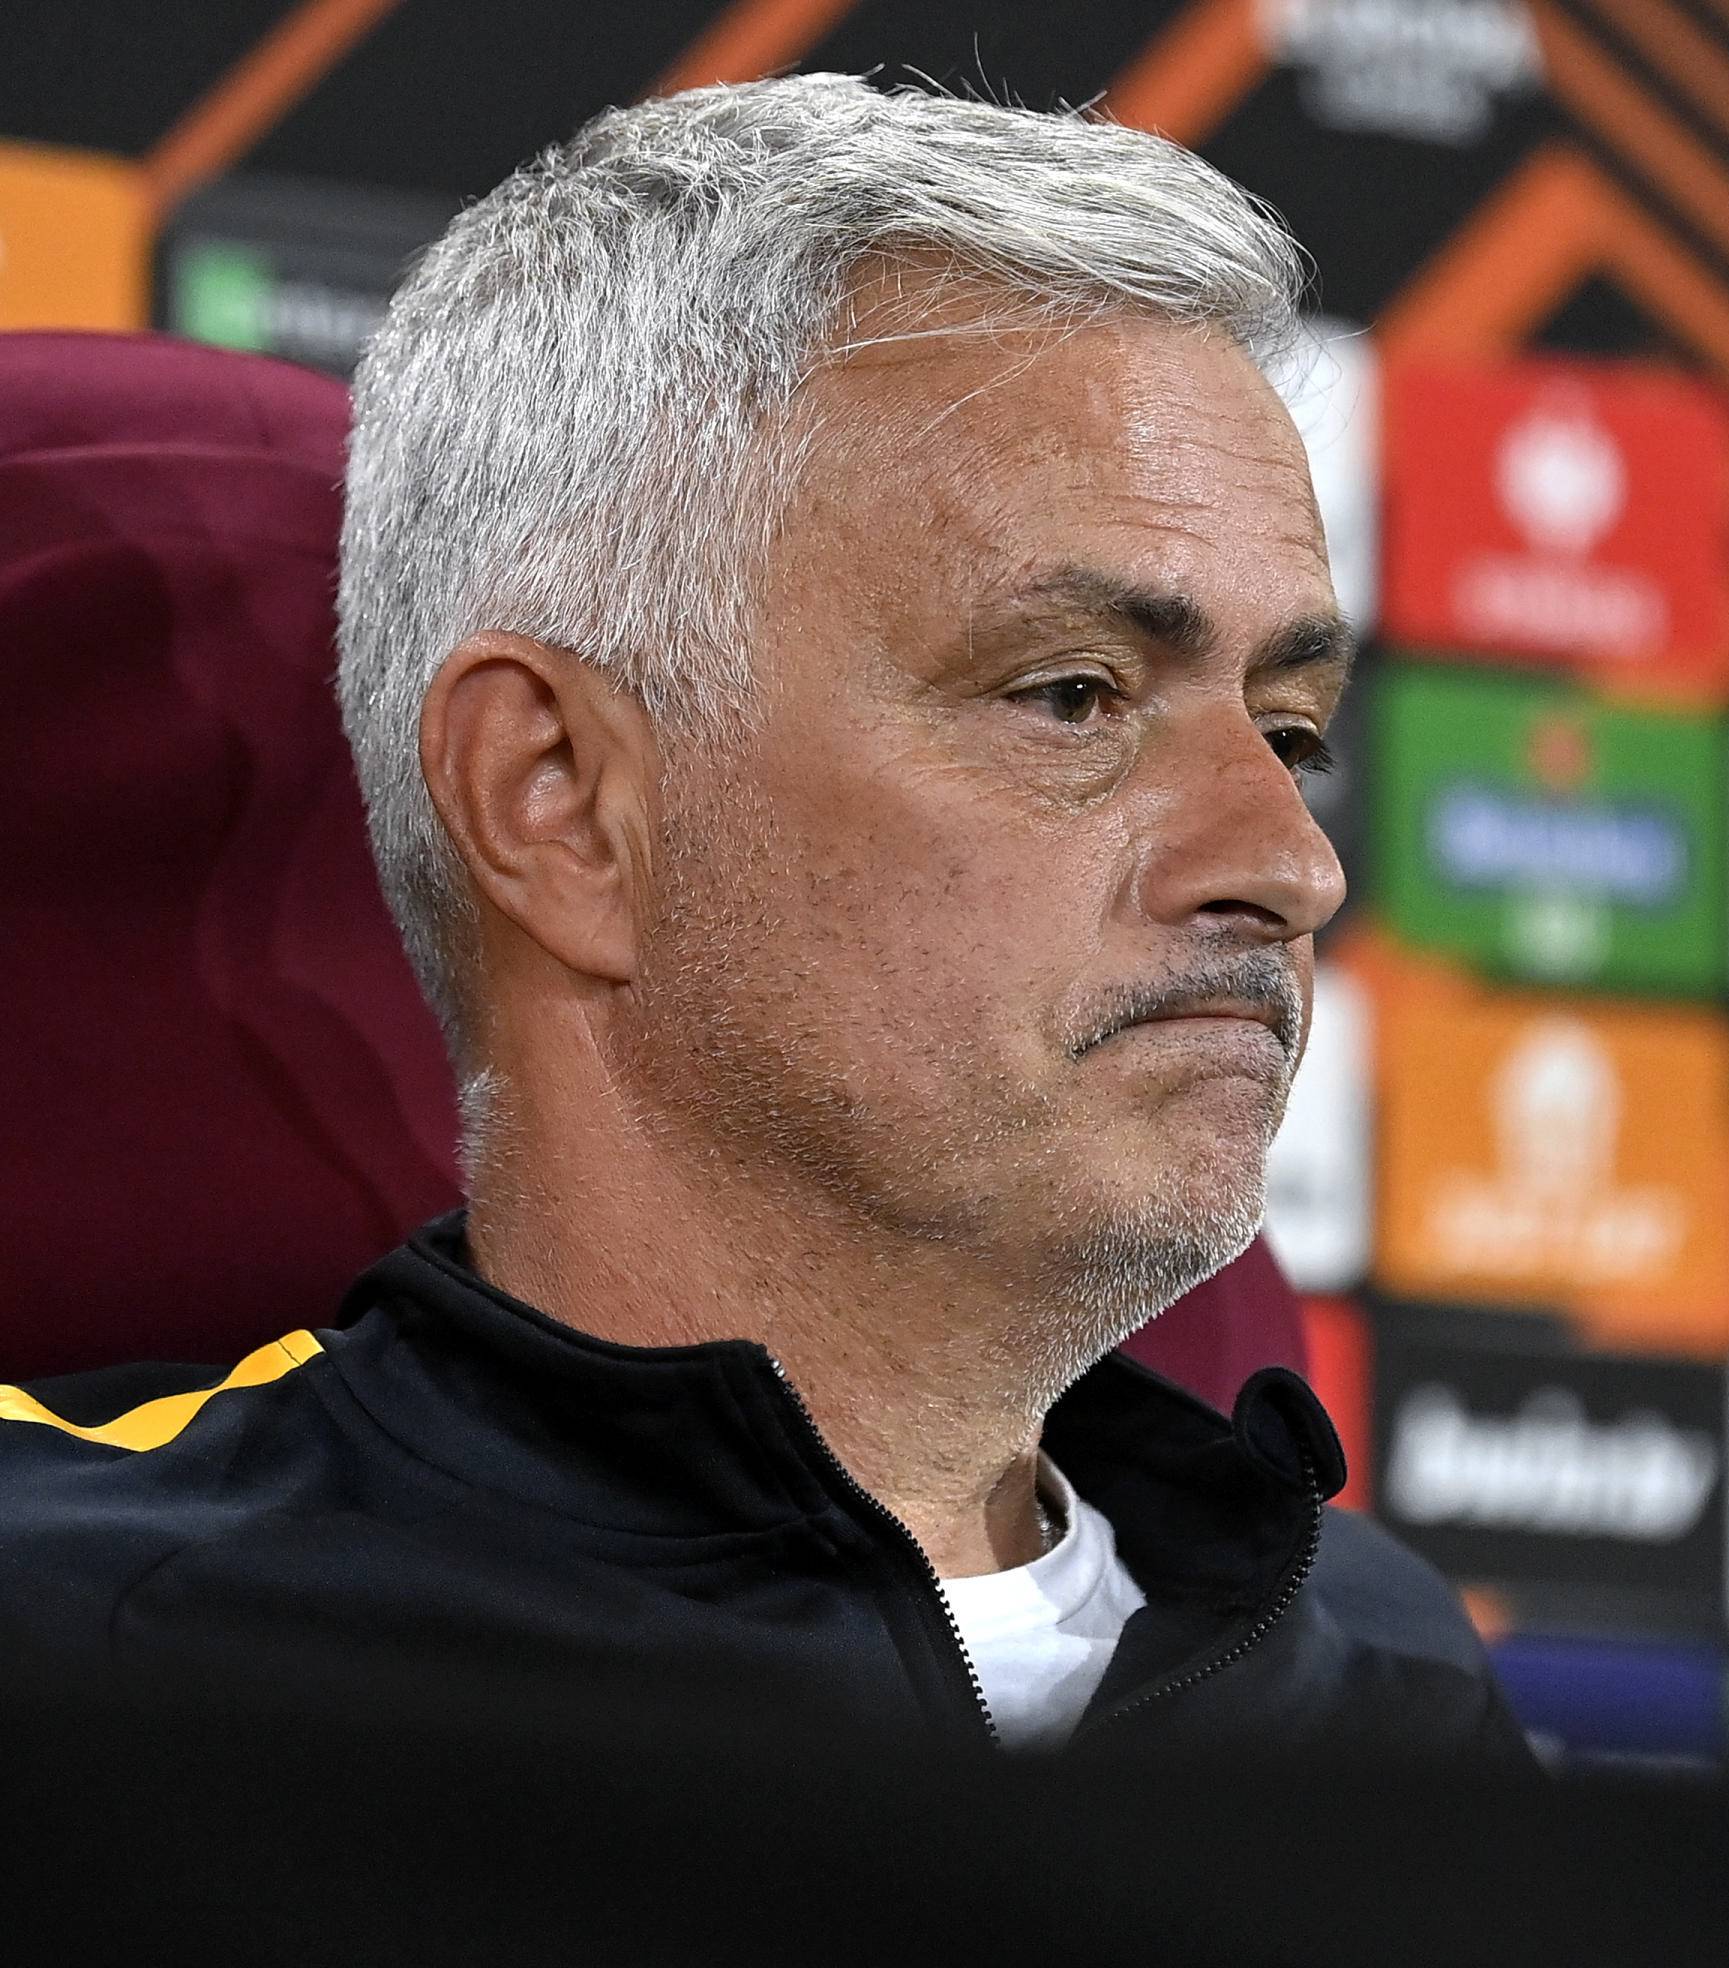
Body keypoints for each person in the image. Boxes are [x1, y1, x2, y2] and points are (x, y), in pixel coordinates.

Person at [0, 74, 1525, 1765]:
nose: (1293, 865)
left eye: (1292, 734)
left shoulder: (1400, 1698)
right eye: (1074, 695)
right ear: (559, 802)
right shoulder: (82, 1671)